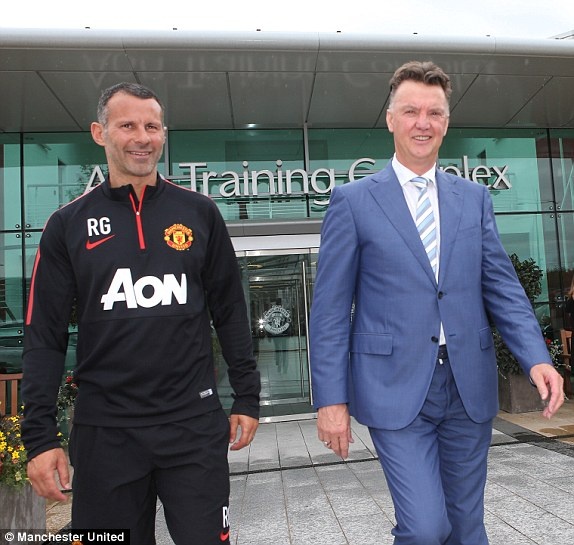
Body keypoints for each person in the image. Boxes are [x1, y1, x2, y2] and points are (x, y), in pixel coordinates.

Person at [309, 61, 564, 545]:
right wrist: (331, 400)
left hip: (467, 384)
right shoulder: (353, 201)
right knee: (426, 527)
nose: (422, 123)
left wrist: (536, 358)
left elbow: (503, 288)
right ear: (390, 119)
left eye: (434, 113)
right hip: (393, 385)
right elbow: (329, 313)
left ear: (447, 122)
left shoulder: (474, 198)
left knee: (467, 527)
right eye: (411, 111)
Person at [21, 82, 260, 545]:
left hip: (192, 426)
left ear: (164, 134)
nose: (142, 137)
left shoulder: (200, 212)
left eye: (152, 126)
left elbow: (231, 311)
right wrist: (40, 438)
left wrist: (247, 396)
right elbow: (44, 337)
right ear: (100, 133)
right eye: (127, 125)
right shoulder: (66, 225)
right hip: (105, 433)